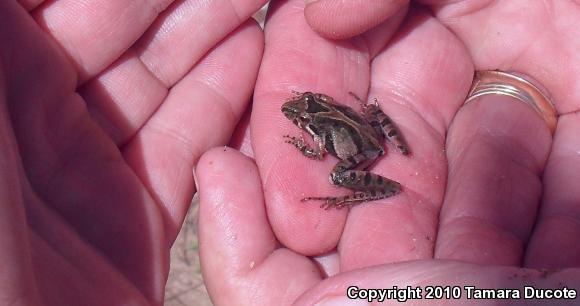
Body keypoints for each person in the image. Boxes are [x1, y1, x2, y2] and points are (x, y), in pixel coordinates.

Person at [1, 1, 578, 306]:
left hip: (360, 151)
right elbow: (337, 117)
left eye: (300, 112)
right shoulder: (326, 105)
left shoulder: (316, 124)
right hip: (370, 129)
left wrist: (313, 146)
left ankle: (351, 189)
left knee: (338, 174)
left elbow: (320, 142)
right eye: (302, 111)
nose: (297, 115)